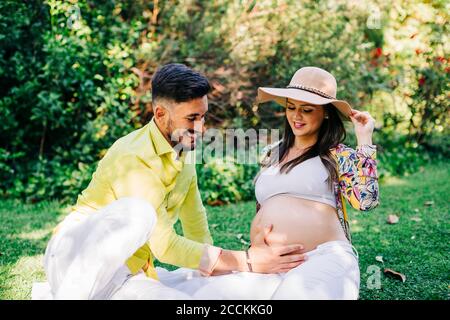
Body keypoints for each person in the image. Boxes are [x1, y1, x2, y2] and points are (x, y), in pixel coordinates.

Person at [34, 63, 306, 300]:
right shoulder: (133, 156)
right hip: (74, 258)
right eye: (192, 118)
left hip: (124, 273)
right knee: (138, 213)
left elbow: (195, 226)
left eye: (203, 116)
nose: (201, 128)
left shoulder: (184, 154)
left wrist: (217, 273)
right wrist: (246, 261)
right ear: (160, 114)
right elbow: (163, 244)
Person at [155, 66, 379, 300]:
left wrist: (364, 137)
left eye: (307, 109)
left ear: (325, 113)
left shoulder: (336, 154)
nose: (296, 116)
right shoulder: (270, 153)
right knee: (196, 292)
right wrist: (259, 248)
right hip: (271, 264)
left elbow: (366, 200)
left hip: (322, 256)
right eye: (291, 107)